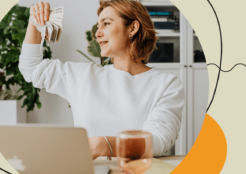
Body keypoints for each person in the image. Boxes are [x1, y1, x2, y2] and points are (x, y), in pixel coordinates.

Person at [19, 0, 185, 160]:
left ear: (132, 28)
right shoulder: (82, 76)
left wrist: (104, 144)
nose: (97, 34)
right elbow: (32, 68)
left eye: (106, 23)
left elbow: (158, 141)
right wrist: (35, 22)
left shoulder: (167, 85)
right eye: (98, 26)